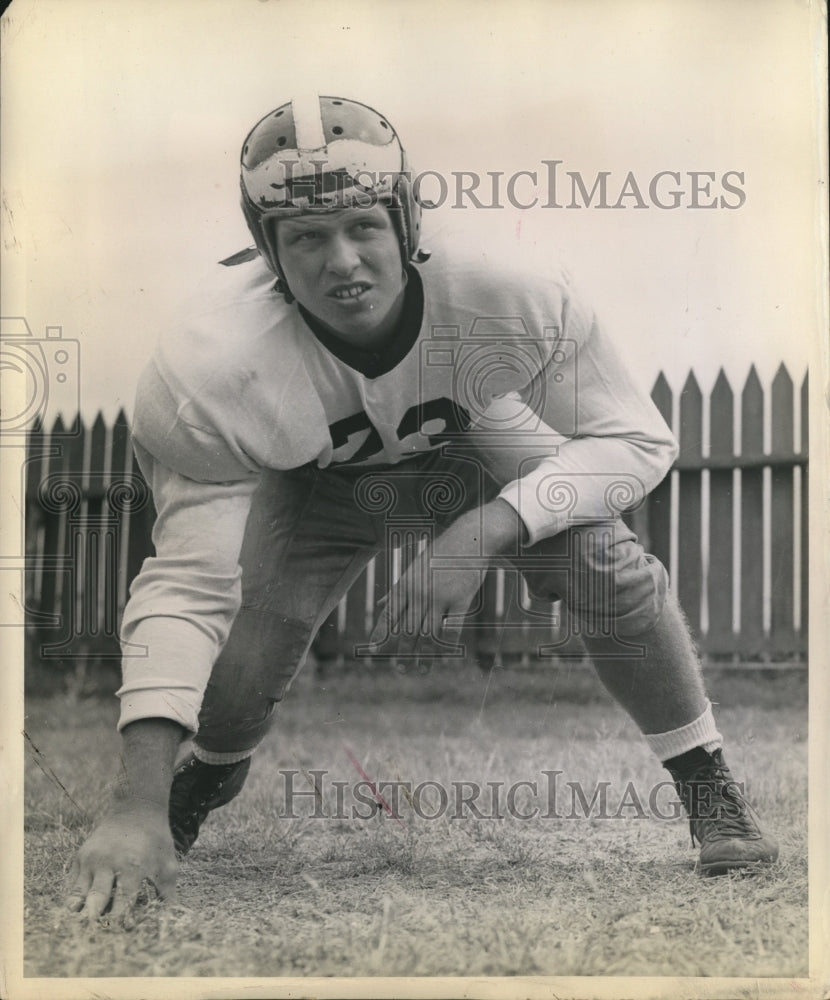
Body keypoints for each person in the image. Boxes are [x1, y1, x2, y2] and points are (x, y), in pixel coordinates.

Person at [65, 95, 778, 921]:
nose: (343, 262)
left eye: (364, 226)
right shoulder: (207, 363)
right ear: (266, 248)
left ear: (406, 220)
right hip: (319, 479)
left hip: (472, 442)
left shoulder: (506, 290)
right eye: (305, 237)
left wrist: (486, 528)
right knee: (243, 658)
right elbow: (188, 583)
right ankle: (209, 774)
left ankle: (707, 785)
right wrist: (133, 802)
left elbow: (637, 441)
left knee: (603, 563)